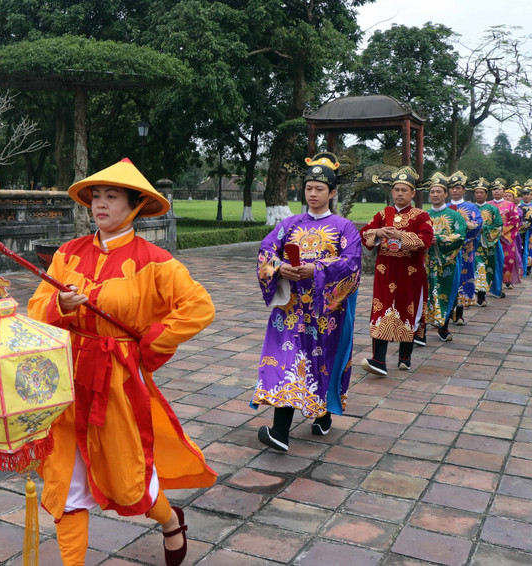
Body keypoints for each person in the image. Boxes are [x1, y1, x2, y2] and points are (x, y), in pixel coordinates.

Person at [27, 158, 216, 566]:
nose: (100, 204)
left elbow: (199, 307)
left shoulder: (154, 260)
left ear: (135, 205)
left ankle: (169, 521)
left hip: (117, 379)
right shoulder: (68, 253)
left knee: (128, 476)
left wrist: (149, 344)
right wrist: (60, 305)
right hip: (67, 378)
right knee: (65, 479)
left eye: (111, 197)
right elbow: (37, 307)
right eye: (96, 196)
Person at [252, 153, 361, 450]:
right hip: (290, 310)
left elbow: (351, 263)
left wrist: (317, 269)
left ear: (332, 193)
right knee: (287, 361)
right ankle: (280, 432)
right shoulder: (289, 224)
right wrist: (279, 267)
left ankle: (323, 414)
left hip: (326, 312)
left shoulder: (344, 227)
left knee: (321, 363)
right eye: (309, 188)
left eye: (320, 189)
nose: (313, 194)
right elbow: (266, 251)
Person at [358, 166, 434, 376]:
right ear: (391, 192)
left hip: (410, 272)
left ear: (413, 193)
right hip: (385, 270)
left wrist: (401, 236)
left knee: (407, 308)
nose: (400, 194)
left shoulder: (421, 216)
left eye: (404, 190)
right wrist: (378, 232)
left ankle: (404, 357)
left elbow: (426, 241)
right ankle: (378, 360)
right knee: (381, 309)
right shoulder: (383, 214)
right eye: (396, 190)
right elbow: (364, 234)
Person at [423, 172, 467, 343]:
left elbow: (460, 235)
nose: (435, 195)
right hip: (426, 261)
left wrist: (440, 239)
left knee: (446, 292)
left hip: (447, 261)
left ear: (446, 194)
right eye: (432, 192)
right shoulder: (423, 215)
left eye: (438, 192)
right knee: (425, 293)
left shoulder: (455, 216)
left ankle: (444, 326)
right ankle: (422, 328)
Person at [447, 171, 482, 325]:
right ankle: (446, 313)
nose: (455, 190)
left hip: (465, 249)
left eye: (458, 188)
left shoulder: (471, 207)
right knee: (447, 278)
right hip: (446, 250)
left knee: (462, 278)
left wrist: (461, 236)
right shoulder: (445, 207)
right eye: (452, 188)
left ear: (464, 190)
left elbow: (477, 224)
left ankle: (459, 313)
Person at [469, 177, 504, 305]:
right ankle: (479, 295)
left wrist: (485, 229)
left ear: (486, 194)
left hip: (487, 245)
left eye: (481, 192)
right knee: (476, 268)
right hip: (471, 245)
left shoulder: (492, 209)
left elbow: (499, 226)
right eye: (477, 192)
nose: (479, 194)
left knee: (485, 268)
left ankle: (481, 294)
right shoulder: (470, 208)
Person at [492, 181, 523, 290]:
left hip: (505, 238)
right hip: (489, 238)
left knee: (507, 259)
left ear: (503, 191)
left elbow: (515, 221)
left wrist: (500, 231)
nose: (496, 191)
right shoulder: (488, 205)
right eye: (494, 189)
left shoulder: (510, 205)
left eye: (499, 189)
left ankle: (506, 280)